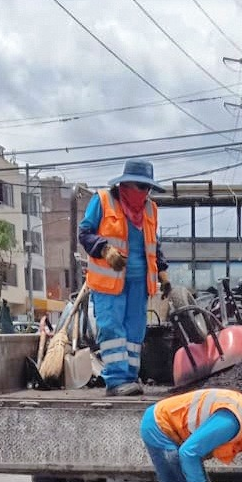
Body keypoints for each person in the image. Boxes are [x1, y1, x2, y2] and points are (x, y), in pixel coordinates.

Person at [79, 158, 170, 397]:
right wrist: (105, 250)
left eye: (147, 188)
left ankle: (130, 378)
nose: (143, 192)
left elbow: (153, 244)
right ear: (124, 184)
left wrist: (162, 271)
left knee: (134, 332)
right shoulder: (102, 201)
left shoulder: (150, 208)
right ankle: (116, 380)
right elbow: (85, 233)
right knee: (111, 329)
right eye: (139, 186)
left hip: (140, 282)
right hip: (109, 281)